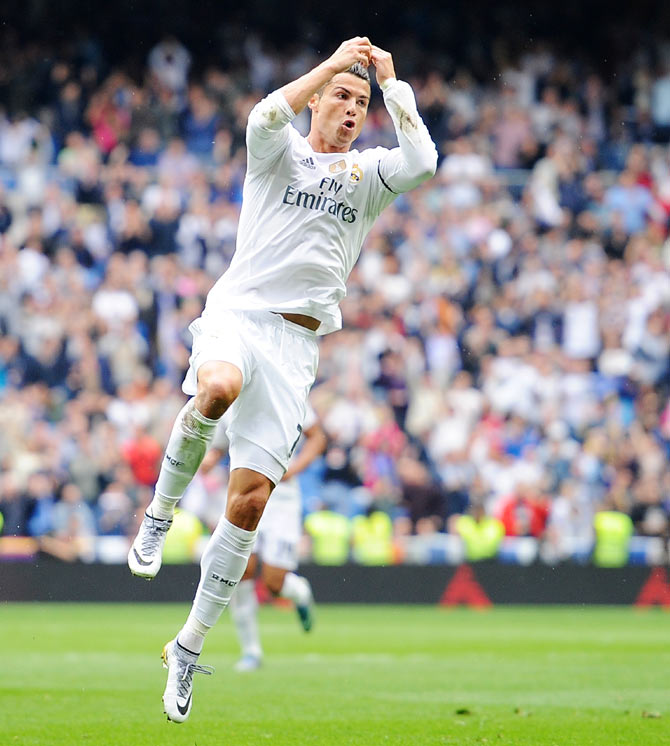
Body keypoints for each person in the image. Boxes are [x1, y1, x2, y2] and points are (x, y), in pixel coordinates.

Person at [126, 35, 437, 723]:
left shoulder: (370, 175)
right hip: (239, 313)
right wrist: (329, 66)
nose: (352, 110)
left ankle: (188, 646)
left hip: (297, 346)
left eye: (361, 103)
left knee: (249, 502)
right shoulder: (280, 152)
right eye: (342, 98)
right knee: (215, 389)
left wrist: (391, 83)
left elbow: (425, 161)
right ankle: (159, 514)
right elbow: (264, 115)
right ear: (319, 99)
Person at [227, 402, 327, 671]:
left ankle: (300, 593)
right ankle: (251, 651)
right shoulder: (238, 391)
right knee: (241, 569)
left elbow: (318, 437)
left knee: (274, 583)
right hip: (244, 492)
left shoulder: (289, 392)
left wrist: (295, 468)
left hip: (281, 500)